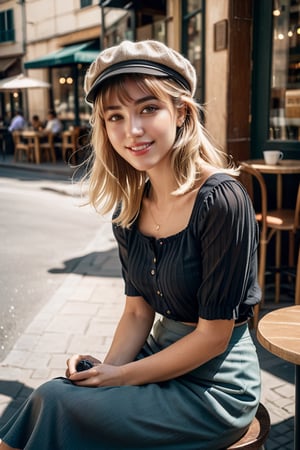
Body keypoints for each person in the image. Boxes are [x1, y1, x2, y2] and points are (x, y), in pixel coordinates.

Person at [0, 40, 261, 450]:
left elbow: (213, 337)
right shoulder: (130, 205)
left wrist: (117, 377)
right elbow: (138, 311)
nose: (132, 131)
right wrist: (103, 372)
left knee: (55, 403)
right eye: (115, 117)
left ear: (181, 112)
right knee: (61, 393)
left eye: (148, 109)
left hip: (214, 387)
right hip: (157, 359)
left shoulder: (222, 201)